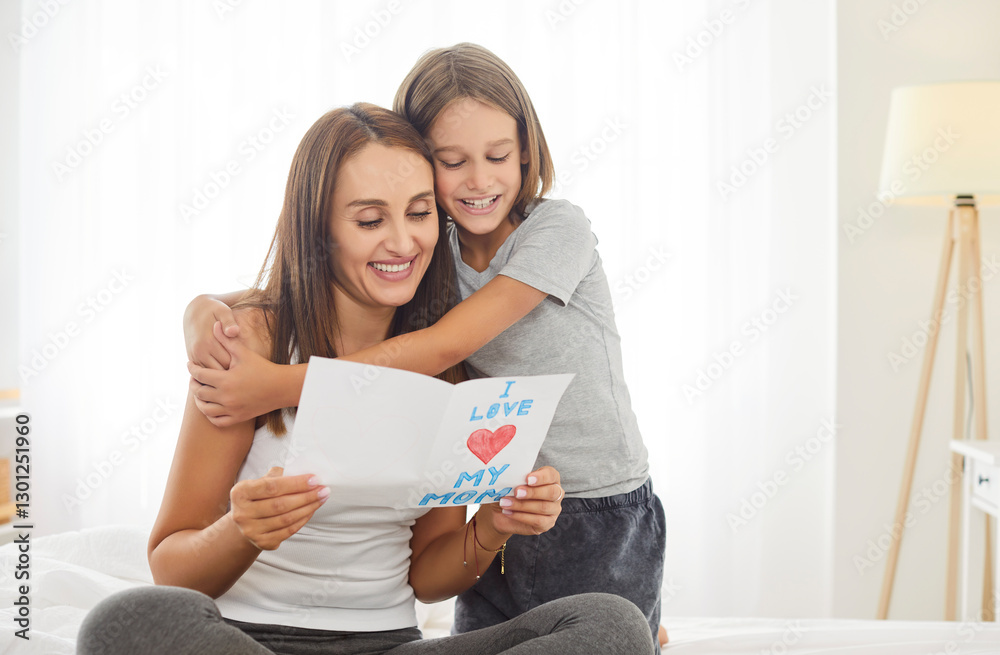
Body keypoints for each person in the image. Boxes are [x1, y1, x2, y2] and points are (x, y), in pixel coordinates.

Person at [77, 103, 654, 655]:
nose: (402, 243)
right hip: (246, 639)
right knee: (125, 621)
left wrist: (493, 526)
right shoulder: (249, 347)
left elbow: (428, 577)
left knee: (611, 625)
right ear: (318, 229)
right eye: (370, 220)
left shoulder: (441, 367)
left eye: (420, 214)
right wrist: (241, 530)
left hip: (387, 642)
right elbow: (172, 568)